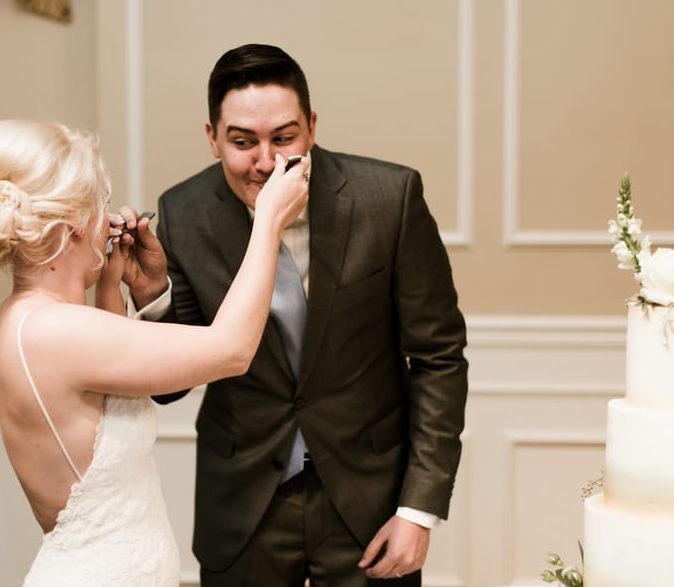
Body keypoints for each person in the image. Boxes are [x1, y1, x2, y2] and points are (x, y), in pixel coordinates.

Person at [120, 44, 469, 586]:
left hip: (370, 502)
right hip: (243, 508)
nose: (266, 161)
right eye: (242, 141)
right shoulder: (182, 211)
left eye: (283, 137)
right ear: (212, 138)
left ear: (311, 127)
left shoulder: (389, 198)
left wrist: (418, 510)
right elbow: (170, 389)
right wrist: (154, 295)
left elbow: (439, 358)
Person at [0, 118, 309, 587]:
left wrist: (112, 284)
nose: (109, 218)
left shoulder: (20, 320)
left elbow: (101, 396)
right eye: (101, 204)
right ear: (75, 221)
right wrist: (269, 222)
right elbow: (232, 350)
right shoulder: (55, 331)